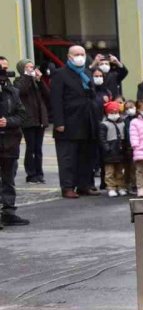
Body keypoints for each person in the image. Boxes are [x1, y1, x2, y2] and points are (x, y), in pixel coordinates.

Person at [50, 45, 99, 198]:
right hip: (69, 122)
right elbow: (56, 100)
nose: (80, 57)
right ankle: (68, 187)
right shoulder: (60, 74)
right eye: (76, 54)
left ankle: (85, 185)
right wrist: (59, 122)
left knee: (86, 156)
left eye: (82, 54)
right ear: (69, 56)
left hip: (87, 121)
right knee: (68, 158)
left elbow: (92, 96)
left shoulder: (86, 73)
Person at [0, 57, 28, 227]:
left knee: (8, 178)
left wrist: (8, 121)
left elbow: (22, 115)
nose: (4, 71)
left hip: (9, 142)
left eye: (5, 68)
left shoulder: (12, 91)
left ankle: (8, 211)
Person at [15, 59, 49, 184]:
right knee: (31, 148)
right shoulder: (19, 81)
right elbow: (21, 91)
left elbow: (47, 95)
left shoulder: (36, 82)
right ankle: (31, 174)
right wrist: (27, 77)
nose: (31, 69)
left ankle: (39, 173)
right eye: (28, 67)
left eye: (32, 67)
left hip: (40, 119)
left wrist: (40, 81)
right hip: (28, 120)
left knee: (38, 149)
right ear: (22, 69)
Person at [98, 100, 128, 198]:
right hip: (110, 152)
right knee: (109, 171)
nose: (114, 114)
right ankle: (111, 187)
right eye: (111, 113)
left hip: (120, 150)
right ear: (107, 113)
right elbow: (102, 139)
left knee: (120, 171)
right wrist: (107, 148)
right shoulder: (104, 124)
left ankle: (121, 186)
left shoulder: (123, 123)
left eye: (116, 112)